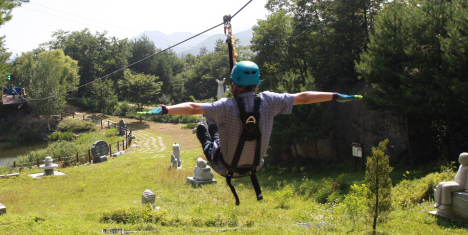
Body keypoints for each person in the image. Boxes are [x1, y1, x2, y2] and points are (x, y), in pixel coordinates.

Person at [143, 61, 361, 204]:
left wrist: (164, 109)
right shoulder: (271, 101)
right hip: (256, 165)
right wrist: (335, 95)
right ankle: (212, 129)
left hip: (225, 166)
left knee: (207, 135)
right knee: (218, 132)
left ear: (234, 84)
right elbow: (303, 97)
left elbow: (192, 107)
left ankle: (205, 130)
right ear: (257, 84)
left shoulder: (225, 106)